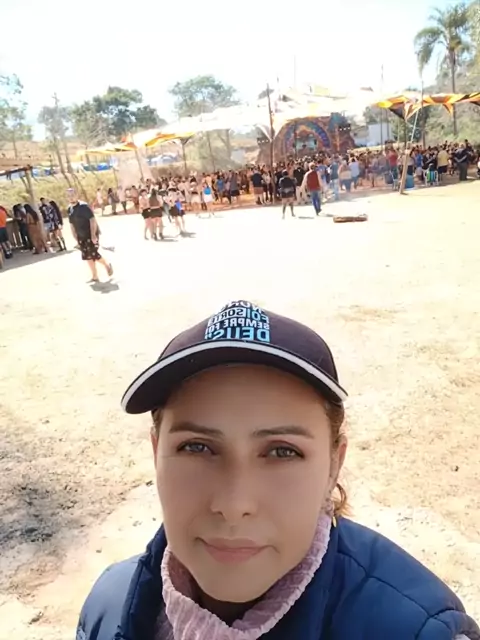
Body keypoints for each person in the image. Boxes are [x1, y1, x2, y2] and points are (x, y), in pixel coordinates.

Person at [77, 300, 479, 640]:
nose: (233, 505)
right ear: (156, 453)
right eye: (197, 447)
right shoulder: (108, 606)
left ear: (333, 465)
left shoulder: (417, 630)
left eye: (282, 452)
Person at [68, 189, 113, 282]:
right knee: (87, 256)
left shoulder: (83, 206)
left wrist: (93, 235)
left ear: (77, 195)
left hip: (90, 234)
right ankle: (94, 276)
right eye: (69, 195)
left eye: (72, 195)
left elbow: (92, 220)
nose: (71, 197)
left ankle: (107, 265)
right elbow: (72, 224)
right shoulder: (70, 209)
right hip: (81, 236)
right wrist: (75, 237)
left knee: (94, 254)